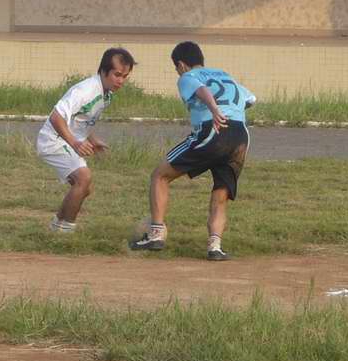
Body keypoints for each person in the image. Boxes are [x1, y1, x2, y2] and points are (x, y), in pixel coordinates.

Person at [130, 41, 255, 261]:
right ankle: (215, 247)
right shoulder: (225, 75)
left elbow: (201, 90)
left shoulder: (188, 76)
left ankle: (155, 234)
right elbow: (251, 99)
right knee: (221, 191)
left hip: (214, 129)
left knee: (160, 175)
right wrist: (231, 109)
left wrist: (214, 109)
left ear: (181, 64)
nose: (178, 72)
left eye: (176, 68)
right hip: (240, 136)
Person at [36, 47, 136, 232]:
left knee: (84, 188)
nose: (121, 81)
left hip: (66, 140)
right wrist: (75, 143)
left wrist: (92, 139)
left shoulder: (106, 94)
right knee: (83, 178)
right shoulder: (85, 90)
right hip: (53, 140)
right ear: (103, 71)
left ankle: (57, 226)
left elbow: (80, 120)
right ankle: (66, 230)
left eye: (125, 76)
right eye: (117, 75)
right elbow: (56, 117)